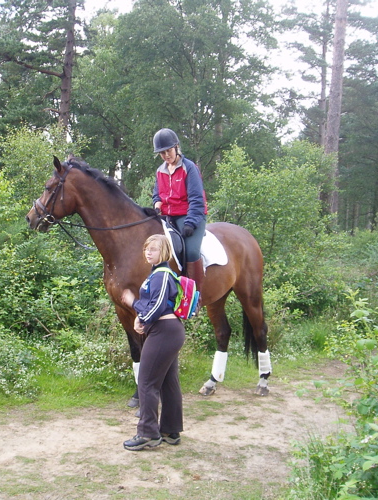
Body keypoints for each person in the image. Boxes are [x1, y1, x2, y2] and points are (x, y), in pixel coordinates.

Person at [121, 234, 185, 451]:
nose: (148, 252)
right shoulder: (157, 274)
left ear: (164, 252)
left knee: (147, 382)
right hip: (167, 331)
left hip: (164, 332)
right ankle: (170, 430)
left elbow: (155, 307)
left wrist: (135, 306)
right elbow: (154, 305)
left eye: (154, 249)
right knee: (168, 381)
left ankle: (148, 434)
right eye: (147, 249)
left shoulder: (162, 275)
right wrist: (142, 317)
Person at [151, 128, 207, 301]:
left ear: (176, 147)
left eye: (168, 151)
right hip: (167, 217)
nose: (166, 155)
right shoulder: (160, 171)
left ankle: (194, 298)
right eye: (162, 153)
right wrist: (156, 202)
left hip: (189, 215)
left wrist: (190, 222)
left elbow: (197, 199)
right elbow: (156, 194)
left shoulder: (189, 168)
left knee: (190, 251)